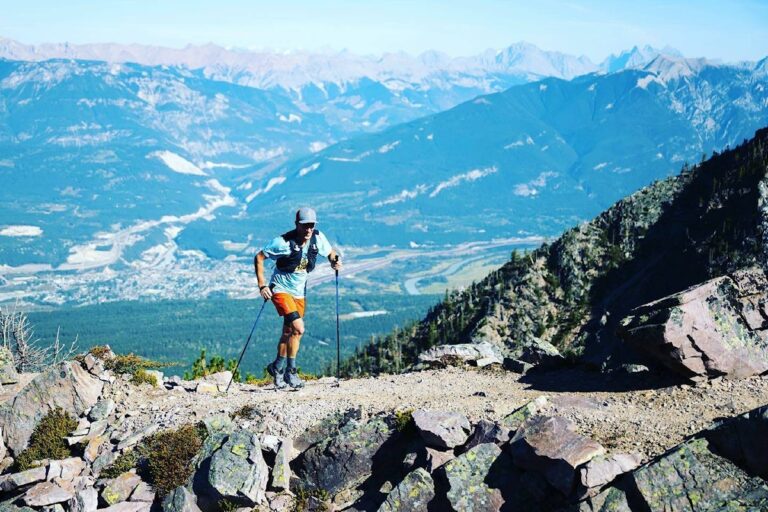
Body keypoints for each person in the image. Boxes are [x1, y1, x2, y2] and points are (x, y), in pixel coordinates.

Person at [254, 207, 342, 389]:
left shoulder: (317, 238)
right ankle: (291, 372)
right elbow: (260, 257)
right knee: (299, 328)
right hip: (280, 289)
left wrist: (335, 260)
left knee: (289, 333)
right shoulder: (283, 242)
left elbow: (330, 252)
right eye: (305, 226)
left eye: (311, 225)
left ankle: (277, 367)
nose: (309, 229)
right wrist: (262, 285)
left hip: (299, 293)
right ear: (297, 225)